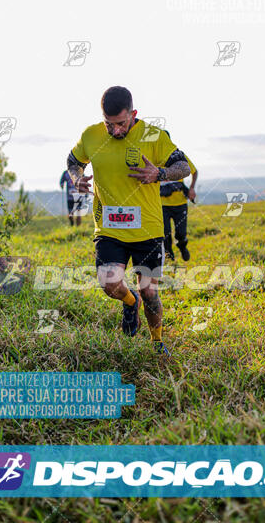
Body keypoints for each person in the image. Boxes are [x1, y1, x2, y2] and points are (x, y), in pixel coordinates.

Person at [67, 86, 190, 356]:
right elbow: (73, 161)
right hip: (109, 227)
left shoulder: (152, 135)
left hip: (147, 228)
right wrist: (77, 179)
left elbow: (184, 167)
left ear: (133, 114)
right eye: (109, 124)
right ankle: (128, 301)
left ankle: (157, 342)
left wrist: (158, 173)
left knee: (149, 292)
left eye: (121, 124)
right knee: (109, 284)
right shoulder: (91, 135)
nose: (116, 131)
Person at [160, 133, 198, 261]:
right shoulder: (152, 157)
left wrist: (191, 188)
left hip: (180, 203)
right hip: (161, 205)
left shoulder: (177, 156)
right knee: (165, 234)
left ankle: (182, 246)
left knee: (181, 233)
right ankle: (170, 258)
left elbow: (194, 171)